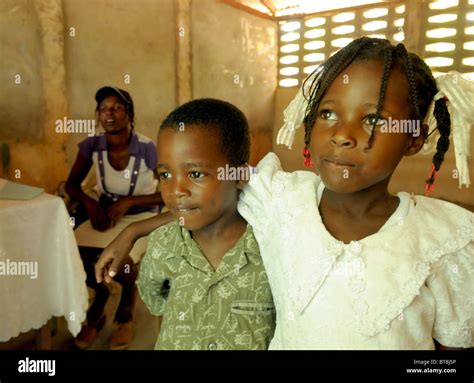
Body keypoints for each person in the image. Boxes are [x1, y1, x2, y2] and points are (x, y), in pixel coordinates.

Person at [96, 38, 474, 350]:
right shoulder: (283, 199)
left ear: (414, 138)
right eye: (327, 113)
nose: (343, 134)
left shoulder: (442, 240)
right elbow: (209, 195)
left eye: (373, 119)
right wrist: (134, 230)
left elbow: (450, 346)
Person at [136, 98, 274, 349]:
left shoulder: (271, 247)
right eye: (165, 175)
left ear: (239, 176)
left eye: (195, 174)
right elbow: (155, 300)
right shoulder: (163, 244)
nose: (176, 190)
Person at [65, 86, 163, 350]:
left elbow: (169, 193)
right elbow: (71, 185)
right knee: (70, 255)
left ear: (130, 114)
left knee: (122, 261)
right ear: (98, 115)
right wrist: (90, 203)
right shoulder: (91, 146)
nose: (109, 113)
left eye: (117, 107)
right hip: (105, 216)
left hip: (139, 219)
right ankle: (102, 295)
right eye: (104, 108)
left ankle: (126, 307)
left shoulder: (147, 149)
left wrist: (130, 201)